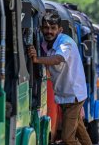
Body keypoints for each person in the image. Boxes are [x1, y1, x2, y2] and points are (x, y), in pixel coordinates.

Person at [28, 11, 92, 145]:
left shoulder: (65, 42)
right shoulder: (45, 44)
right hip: (63, 95)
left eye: (53, 28)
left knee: (68, 137)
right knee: (80, 132)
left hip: (73, 95)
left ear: (60, 29)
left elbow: (58, 59)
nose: (49, 31)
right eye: (46, 28)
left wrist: (37, 59)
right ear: (40, 29)